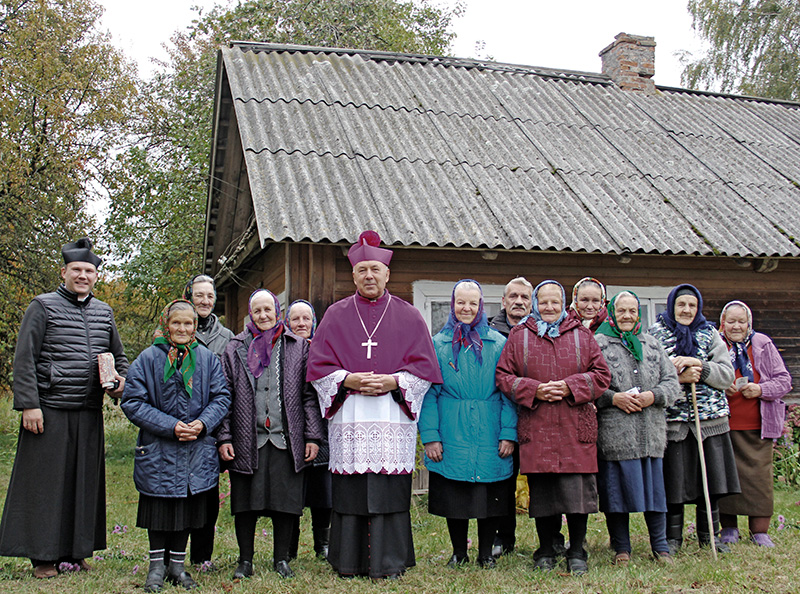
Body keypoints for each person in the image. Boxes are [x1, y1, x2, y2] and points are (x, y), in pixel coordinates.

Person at [306, 230, 442, 579]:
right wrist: (347, 379)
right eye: (362, 270)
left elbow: (425, 370)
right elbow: (318, 368)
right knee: (351, 491)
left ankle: (390, 562)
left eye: (375, 270)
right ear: (353, 275)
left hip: (390, 415)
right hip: (350, 414)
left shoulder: (409, 315)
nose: (369, 275)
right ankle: (348, 562)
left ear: (387, 275)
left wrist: (394, 381)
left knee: (388, 488)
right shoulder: (335, 315)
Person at [0, 238, 128, 579]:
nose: (83, 276)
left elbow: (120, 359)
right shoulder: (42, 307)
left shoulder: (104, 312)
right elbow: (24, 360)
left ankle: (77, 550)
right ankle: (42, 556)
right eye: (77, 270)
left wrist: (120, 383)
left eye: (89, 271)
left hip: (88, 411)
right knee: (46, 487)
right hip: (50, 409)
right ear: (64, 272)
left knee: (83, 485)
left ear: (96, 276)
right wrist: (29, 405)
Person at [496, 280, 611, 575]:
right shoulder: (520, 336)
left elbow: (601, 375)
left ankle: (577, 550)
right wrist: (534, 390)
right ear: (536, 304)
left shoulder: (582, 336)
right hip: (538, 425)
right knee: (544, 494)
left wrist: (570, 386)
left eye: (554, 303)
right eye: (543, 302)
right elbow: (504, 376)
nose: (549, 308)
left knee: (577, 495)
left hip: (574, 426)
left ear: (563, 305)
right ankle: (545, 549)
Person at [121, 300, 231, 592]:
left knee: (186, 507)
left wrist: (203, 423)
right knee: (158, 507)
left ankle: (177, 567)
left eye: (188, 324)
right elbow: (132, 401)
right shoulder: (147, 359)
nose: (182, 329)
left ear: (195, 327)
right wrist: (169, 426)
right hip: (158, 448)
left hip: (195, 449)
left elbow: (221, 397)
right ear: (166, 324)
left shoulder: (207, 359)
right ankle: (156, 567)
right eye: (176, 323)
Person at [218, 289, 323, 579]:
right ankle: (245, 561)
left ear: (278, 312)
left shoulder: (298, 346)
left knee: (285, 503)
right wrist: (225, 437)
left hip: (285, 438)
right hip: (246, 437)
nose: (263, 315)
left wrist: (312, 436)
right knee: (245, 504)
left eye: (268, 310)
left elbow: (308, 396)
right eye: (257, 311)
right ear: (250, 314)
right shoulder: (235, 347)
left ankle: (281, 560)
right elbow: (224, 395)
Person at [420, 280, 516, 569]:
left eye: (472, 303)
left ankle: (485, 553)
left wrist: (509, 432)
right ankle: (459, 552)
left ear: (481, 306)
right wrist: (431, 436)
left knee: (490, 496)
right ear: (452, 304)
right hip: (452, 428)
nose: (466, 308)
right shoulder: (438, 345)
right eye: (461, 302)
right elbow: (428, 395)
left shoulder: (498, 343)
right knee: (456, 495)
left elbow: (509, 392)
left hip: (490, 427)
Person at [648, 284, 739, 554]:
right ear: (672, 306)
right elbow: (647, 373)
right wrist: (677, 376)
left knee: (708, 481)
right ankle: (672, 539)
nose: (686, 310)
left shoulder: (710, 334)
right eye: (681, 305)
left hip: (708, 420)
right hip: (672, 421)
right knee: (674, 481)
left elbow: (726, 375)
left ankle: (709, 536)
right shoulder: (655, 334)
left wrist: (701, 366)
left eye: (692, 305)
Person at [594, 291, 680, 564]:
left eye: (633, 310)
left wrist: (653, 396)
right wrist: (613, 398)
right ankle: (622, 549)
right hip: (616, 436)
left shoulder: (652, 345)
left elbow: (672, 383)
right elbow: (590, 384)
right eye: (622, 311)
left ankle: (661, 547)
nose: (628, 316)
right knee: (616, 496)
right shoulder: (598, 344)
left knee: (655, 495)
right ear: (612, 312)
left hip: (650, 435)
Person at [717, 301, 792, 547]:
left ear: (749, 323)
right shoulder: (714, 343)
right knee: (726, 477)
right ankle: (728, 529)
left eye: (742, 321)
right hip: (722, 424)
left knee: (759, 478)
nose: (736, 326)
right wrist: (719, 383)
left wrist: (760, 389)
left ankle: (759, 531)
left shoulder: (762, 344)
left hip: (758, 426)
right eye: (731, 321)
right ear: (723, 322)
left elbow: (784, 381)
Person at [181, 274, 234, 569]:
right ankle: (174, 552)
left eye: (210, 296)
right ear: (189, 296)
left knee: (207, 492)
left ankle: (203, 555)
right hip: (178, 425)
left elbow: (228, 386)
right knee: (177, 490)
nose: (205, 301)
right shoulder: (173, 328)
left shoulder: (226, 337)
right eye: (199, 295)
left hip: (211, 425)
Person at [487, 277, 531, 557]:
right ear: (503, 301)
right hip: (500, 417)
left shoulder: (542, 331)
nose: (519, 302)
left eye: (525, 297)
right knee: (502, 481)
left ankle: (550, 536)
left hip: (537, 416)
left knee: (543, 480)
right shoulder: (491, 332)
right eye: (513, 296)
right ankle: (504, 538)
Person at [285, 299, 332, 560]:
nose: (301, 323)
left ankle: (322, 544)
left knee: (323, 491)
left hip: (322, 427)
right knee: (293, 492)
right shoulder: (282, 351)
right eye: (295, 319)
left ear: (313, 322)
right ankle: (289, 546)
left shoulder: (323, 349)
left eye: (306, 319)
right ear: (287, 323)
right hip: (292, 429)